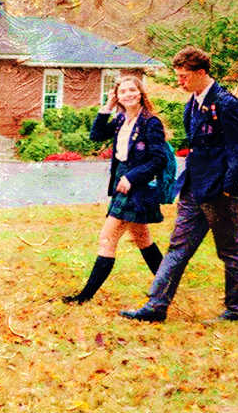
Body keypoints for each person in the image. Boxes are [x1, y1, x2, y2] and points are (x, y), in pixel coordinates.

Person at [120, 46, 238, 323]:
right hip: (194, 188)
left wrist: (228, 187)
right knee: (178, 247)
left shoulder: (226, 104)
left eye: (184, 76)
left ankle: (236, 309)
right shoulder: (192, 103)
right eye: (177, 76)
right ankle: (156, 306)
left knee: (230, 250)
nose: (179, 81)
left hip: (219, 191)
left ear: (201, 72)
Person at [62, 75, 168, 304]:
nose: (128, 94)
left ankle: (84, 297)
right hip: (123, 184)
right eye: (122, 91)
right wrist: (108, 106)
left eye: (132, 90)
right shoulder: (121, 120)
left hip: (137, 187)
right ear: (117, 96)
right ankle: (167, 286)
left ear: (141, 93)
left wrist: (132, 177)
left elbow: (159, 160)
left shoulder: (150, 123)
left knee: (107, 238)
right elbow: (96, 135)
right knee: (142, 238)